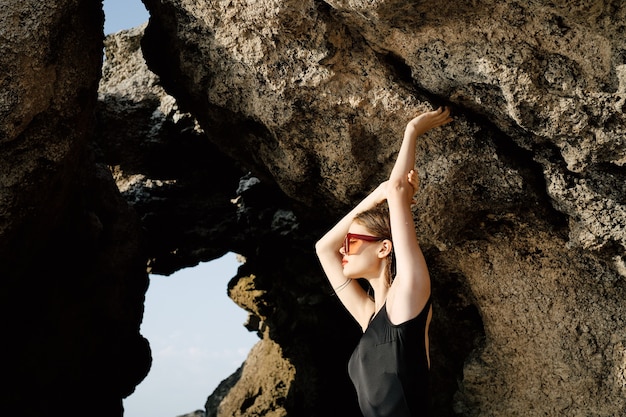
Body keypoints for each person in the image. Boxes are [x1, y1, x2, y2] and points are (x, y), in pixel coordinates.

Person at [315, 106, 453, 417]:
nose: (342, 251)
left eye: (350, 243)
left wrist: (412, 131)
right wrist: (377, 196)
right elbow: (324, 247)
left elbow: (397, 188)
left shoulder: (408, 296)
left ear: (384, 248)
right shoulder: (369, 316)